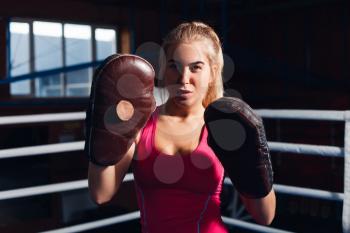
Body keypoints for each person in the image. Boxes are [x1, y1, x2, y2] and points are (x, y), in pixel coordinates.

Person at [86, 21, 276, 233]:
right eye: (174, 66)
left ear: (212, 72)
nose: (183, 79)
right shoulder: (142, 123)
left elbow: (264, 215)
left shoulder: (222, 127)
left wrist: (252, 162)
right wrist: (105, 128)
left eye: (196, 67)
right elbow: (101, 194)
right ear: (163, 70)